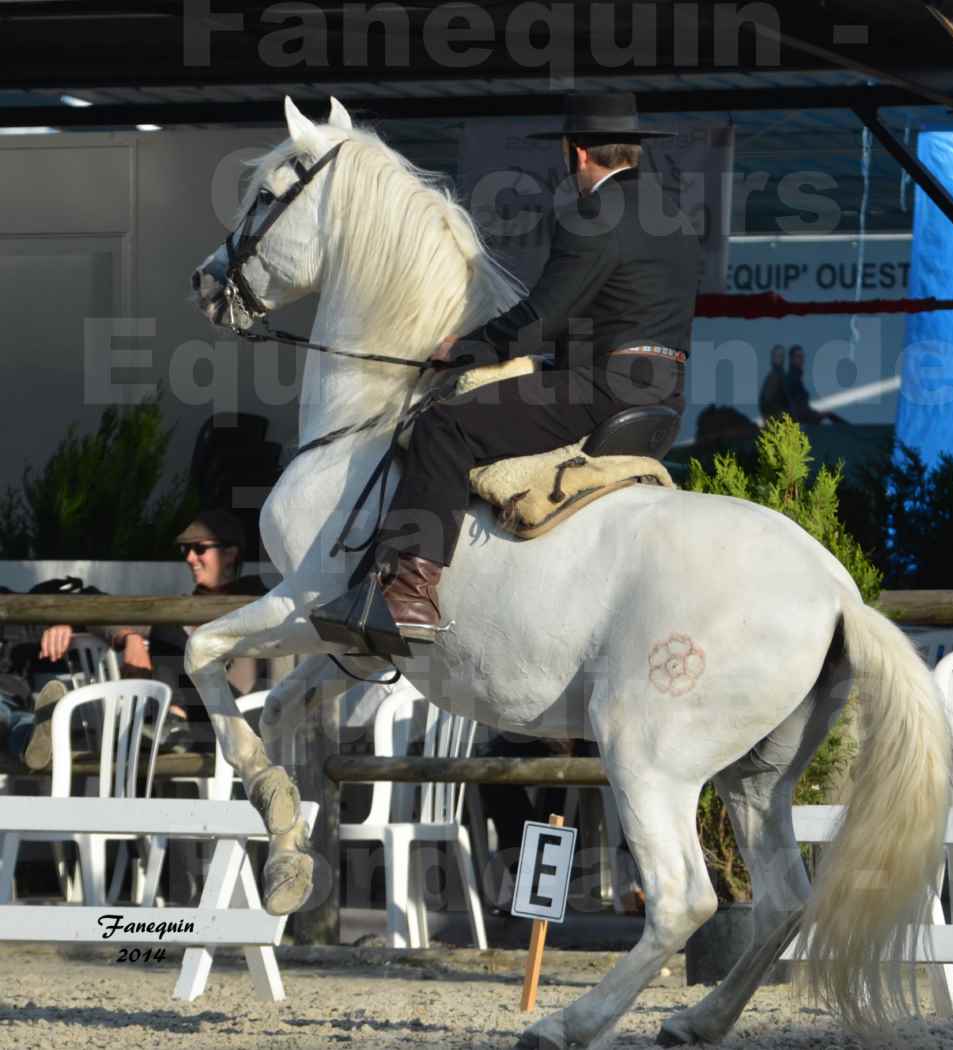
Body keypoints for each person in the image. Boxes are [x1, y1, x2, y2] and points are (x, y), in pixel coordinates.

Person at [312, 92, 700, 651]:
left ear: (577, 153)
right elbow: (618, 315)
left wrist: (465, 349)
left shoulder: (594, 216)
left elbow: (539, 319)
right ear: (632, 152)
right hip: (663, 398)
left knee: (445, 425)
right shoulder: (676, 219)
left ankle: (410, 590)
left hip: (596, 391)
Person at [39, 509, 268, 753]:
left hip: (235, 721)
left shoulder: (258, 603)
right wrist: (127, 637)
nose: (190, 558)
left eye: (199, 549)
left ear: (231, 554)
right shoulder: (182, 611)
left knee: (166, 621)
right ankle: (172, 721)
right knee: (164, 620)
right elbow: (106, 608)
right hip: (178, 731)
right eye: (185, 551)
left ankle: (173, 719)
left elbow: (248, 683)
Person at [783, 345, 846, 426]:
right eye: (798, 356)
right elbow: (797, 407)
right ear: (792, 359)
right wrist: (817, 415)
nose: (802, 360)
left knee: (830, 415)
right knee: (830, 415)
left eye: (802, 357)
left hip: (804, 418)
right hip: (801, 420)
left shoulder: (796, 377)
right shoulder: (792, 378)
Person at [758, 344, 789, 421]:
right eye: (777, 356)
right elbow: (765, 401)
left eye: (781, 356)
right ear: (772, 358)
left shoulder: (782, 375)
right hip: (777, 420)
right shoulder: (773, 377)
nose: (780, 359)